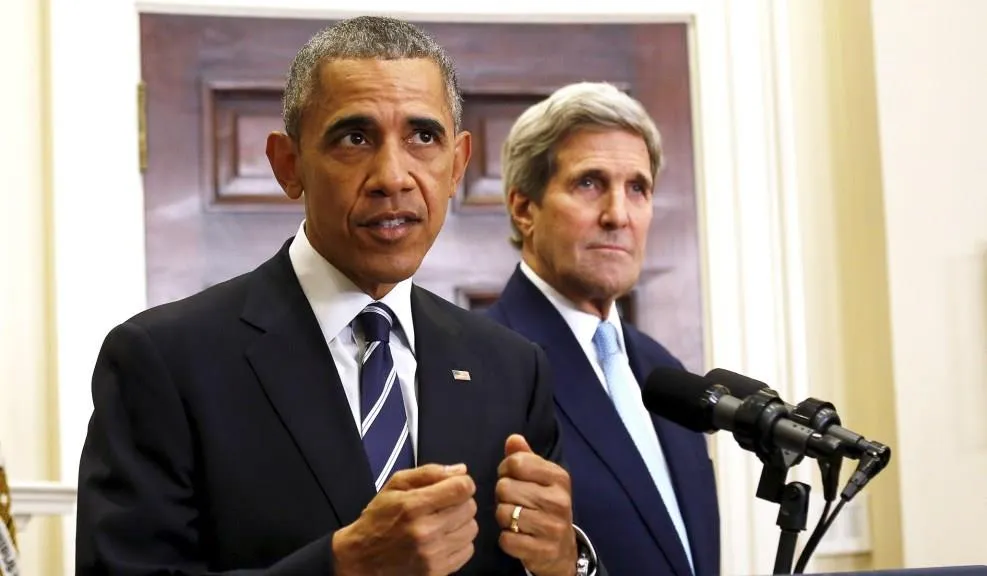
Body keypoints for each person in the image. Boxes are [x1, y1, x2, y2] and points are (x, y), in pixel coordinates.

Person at [75, 17, 603, 576]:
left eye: (423, 137)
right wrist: (342, 564)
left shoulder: (511, 369)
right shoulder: (164, 362)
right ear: (288, 165)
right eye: (355, 138)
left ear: (457, 165)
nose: (392, 177)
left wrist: (566, 564)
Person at [485, 82, 720, 576]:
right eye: (589, 184)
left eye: (638, 188)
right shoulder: (477, 364)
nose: (618, 215)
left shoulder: (664, 370)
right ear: (524, 209)